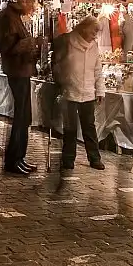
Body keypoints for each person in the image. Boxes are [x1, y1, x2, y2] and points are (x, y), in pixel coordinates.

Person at [0, 0, 41, 176]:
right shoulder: (8, 17)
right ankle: (14, 160)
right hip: (17, 70)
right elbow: (7, 47)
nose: (34, 6)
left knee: (25, 116)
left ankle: (19, 157)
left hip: (22, 69)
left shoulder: (14, 17)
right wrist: (31, 42)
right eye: (32, 2)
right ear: (24, 1)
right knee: (21, 116)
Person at [54, 16, 106, 174]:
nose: (96, 34)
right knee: (70, 128)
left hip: (88, 92)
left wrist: (100, 90)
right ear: (84, 28)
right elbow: (57, 65)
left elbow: (97, 70)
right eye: (94, 30)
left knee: (89, 127)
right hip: (70, 91)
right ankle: (68, 159)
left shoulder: (94, 46)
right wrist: (61, 83)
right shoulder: (67, 42)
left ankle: (94, 158)